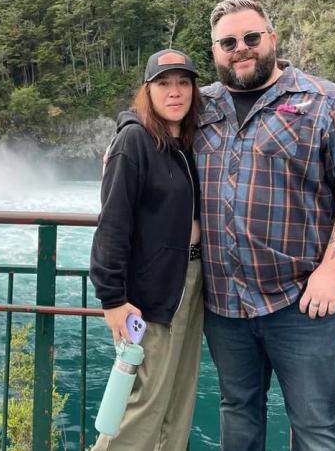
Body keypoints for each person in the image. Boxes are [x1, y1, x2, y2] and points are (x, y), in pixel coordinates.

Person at [195, 0, 335, 451]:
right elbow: (150, 121)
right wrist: (122, 141)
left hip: (301, 300)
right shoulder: (200, 107)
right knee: (237, 413)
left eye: (251, 38)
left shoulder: (326, 100)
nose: (240, 49)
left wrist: (334, 270)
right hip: (224, 302)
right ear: (216, 50)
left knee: (314, 426)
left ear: (272, 39)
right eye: (228, 43)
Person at [89, 48, 203, 451]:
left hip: (191, 282)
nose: (175, 92)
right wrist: (112, 298)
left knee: (178, 399)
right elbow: (112, 223)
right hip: (149, 292)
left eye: (183, 82)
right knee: (141, 402)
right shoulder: (134, 141)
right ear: (147, 91)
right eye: (163, 83)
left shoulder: (188, 142)